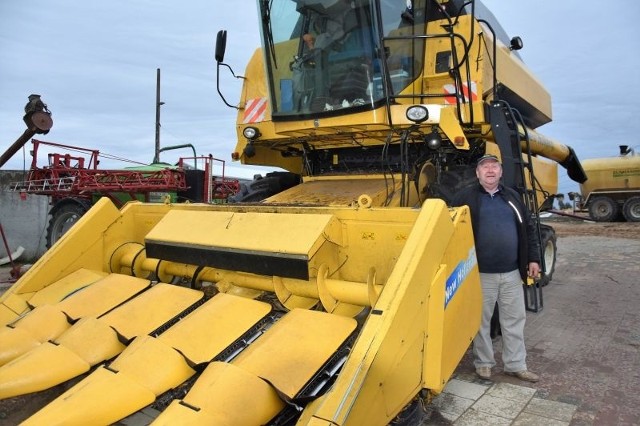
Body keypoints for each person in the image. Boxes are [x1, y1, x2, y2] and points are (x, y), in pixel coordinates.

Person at [451, 154, 540, 383]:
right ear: (477, 173)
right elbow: (451, 232)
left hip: (511, 273)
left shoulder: (512, 197)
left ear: (500, 172)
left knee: (514, 320)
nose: (490, 170)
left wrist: (533, 259)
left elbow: (528, 229)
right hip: (480, 274)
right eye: (484, 167)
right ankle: (484, 364)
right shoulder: (465, 198)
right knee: (481, 322)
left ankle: (515, 365)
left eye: (494, 166)